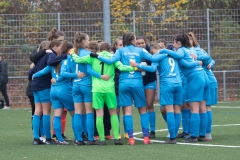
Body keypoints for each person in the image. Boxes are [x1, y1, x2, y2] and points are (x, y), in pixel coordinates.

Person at [89, 32, 168, 145]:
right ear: (132, 40)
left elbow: (111, 61)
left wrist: (97, 56)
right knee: (142, 110)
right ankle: (146, 138)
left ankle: (131, 139)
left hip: (124, 83)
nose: (136, 41)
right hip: (137, 83)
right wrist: (166, 53)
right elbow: (152, 57)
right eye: (135, 39)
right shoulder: (140, 50)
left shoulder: (120, 51)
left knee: (127, 111)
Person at [70, 42, 137, 145]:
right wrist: (133, 68)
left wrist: (72, 53)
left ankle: (102, 139)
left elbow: (78, 60)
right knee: (113, 113)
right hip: (109, 88)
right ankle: (116, 138)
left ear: (99, 50)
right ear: (110, 49)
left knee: (99, 114)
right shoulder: (112, 57)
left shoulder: (92, 57)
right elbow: (122, 67)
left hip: (96, 89)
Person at [158, 34, 210, 143]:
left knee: (194, 109)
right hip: (204, 76)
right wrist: (197, 62)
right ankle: (202, 135)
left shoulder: (181, 50)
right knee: (203, 108)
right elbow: (206, 58)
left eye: (174, 42)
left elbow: (181, 59)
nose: (173, 45)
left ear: (178, 43)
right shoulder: (191, 50)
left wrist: (164, 51)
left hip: (195, 78)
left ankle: (194, 136)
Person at [130, 43, 183, 144]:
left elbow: (152, 69)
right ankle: (174, 134)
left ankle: (172, 138)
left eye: (152, 53)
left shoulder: (157, 57)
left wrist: (138, 65)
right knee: (177, 110)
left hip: (167, 84)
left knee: (169, 110)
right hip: (178, 83)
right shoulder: (173, 55)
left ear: (154, 51)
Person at [30, 28, 70, 141]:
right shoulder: (51, 55)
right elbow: (50, 64)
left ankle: (36, 138)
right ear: (55, 45)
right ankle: (48, 137)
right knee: (46, 111)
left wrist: (33, 77)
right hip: (43, 86)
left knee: (38, 110)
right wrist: (66, 56)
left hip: (35, 85)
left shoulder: (41, 56)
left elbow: (34, 70)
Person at [63, 33, 101, 145]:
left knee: (77, 112)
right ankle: (90, 138)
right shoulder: (88, 54)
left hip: (75, 86)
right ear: (83, 41)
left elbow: (67, 72)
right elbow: (91, 69)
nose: (89, 42)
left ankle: (78, 139)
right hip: (86, 85)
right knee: (89, 112)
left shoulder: (71, 55)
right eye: (88, 40)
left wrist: (76, 76)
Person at [189, 32, 217, 141]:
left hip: (206, 80)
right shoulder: (199, 50)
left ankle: (205, 133)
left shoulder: (196, 51)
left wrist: (210, 64)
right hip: (207, 80)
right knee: (204, 108)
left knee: (204, 108)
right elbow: (210, 60)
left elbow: (209, 59)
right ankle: (204, 133)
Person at [88, 41, 112, 141]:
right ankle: (99, 133)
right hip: (99, 87)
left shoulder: (96, 58)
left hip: (97, 87)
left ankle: (102, 133)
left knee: (99, 111)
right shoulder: (93, 58)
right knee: (100, 111)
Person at [136, 36, 157, 138]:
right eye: (138, 43)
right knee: (142, 106)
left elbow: (152, 68)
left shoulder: (150, 53)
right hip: (139, 82)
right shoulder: (134, 53)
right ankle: (145, 130)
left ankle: (152, 131)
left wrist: (139, 67)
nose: (140, 45)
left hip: (150, 81)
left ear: (146, 43)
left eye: (142, 43)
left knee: (149, 104)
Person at [112, 37, 128, 139]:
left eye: (123, 45)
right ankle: (117, 132)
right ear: (116, 46)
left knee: (126, 110)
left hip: (126, 85)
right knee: (116, 110)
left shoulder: (127, 57)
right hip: (116, 86)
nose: (122, 47)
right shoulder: (113, 57)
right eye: (120, 45)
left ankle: (127, 132)